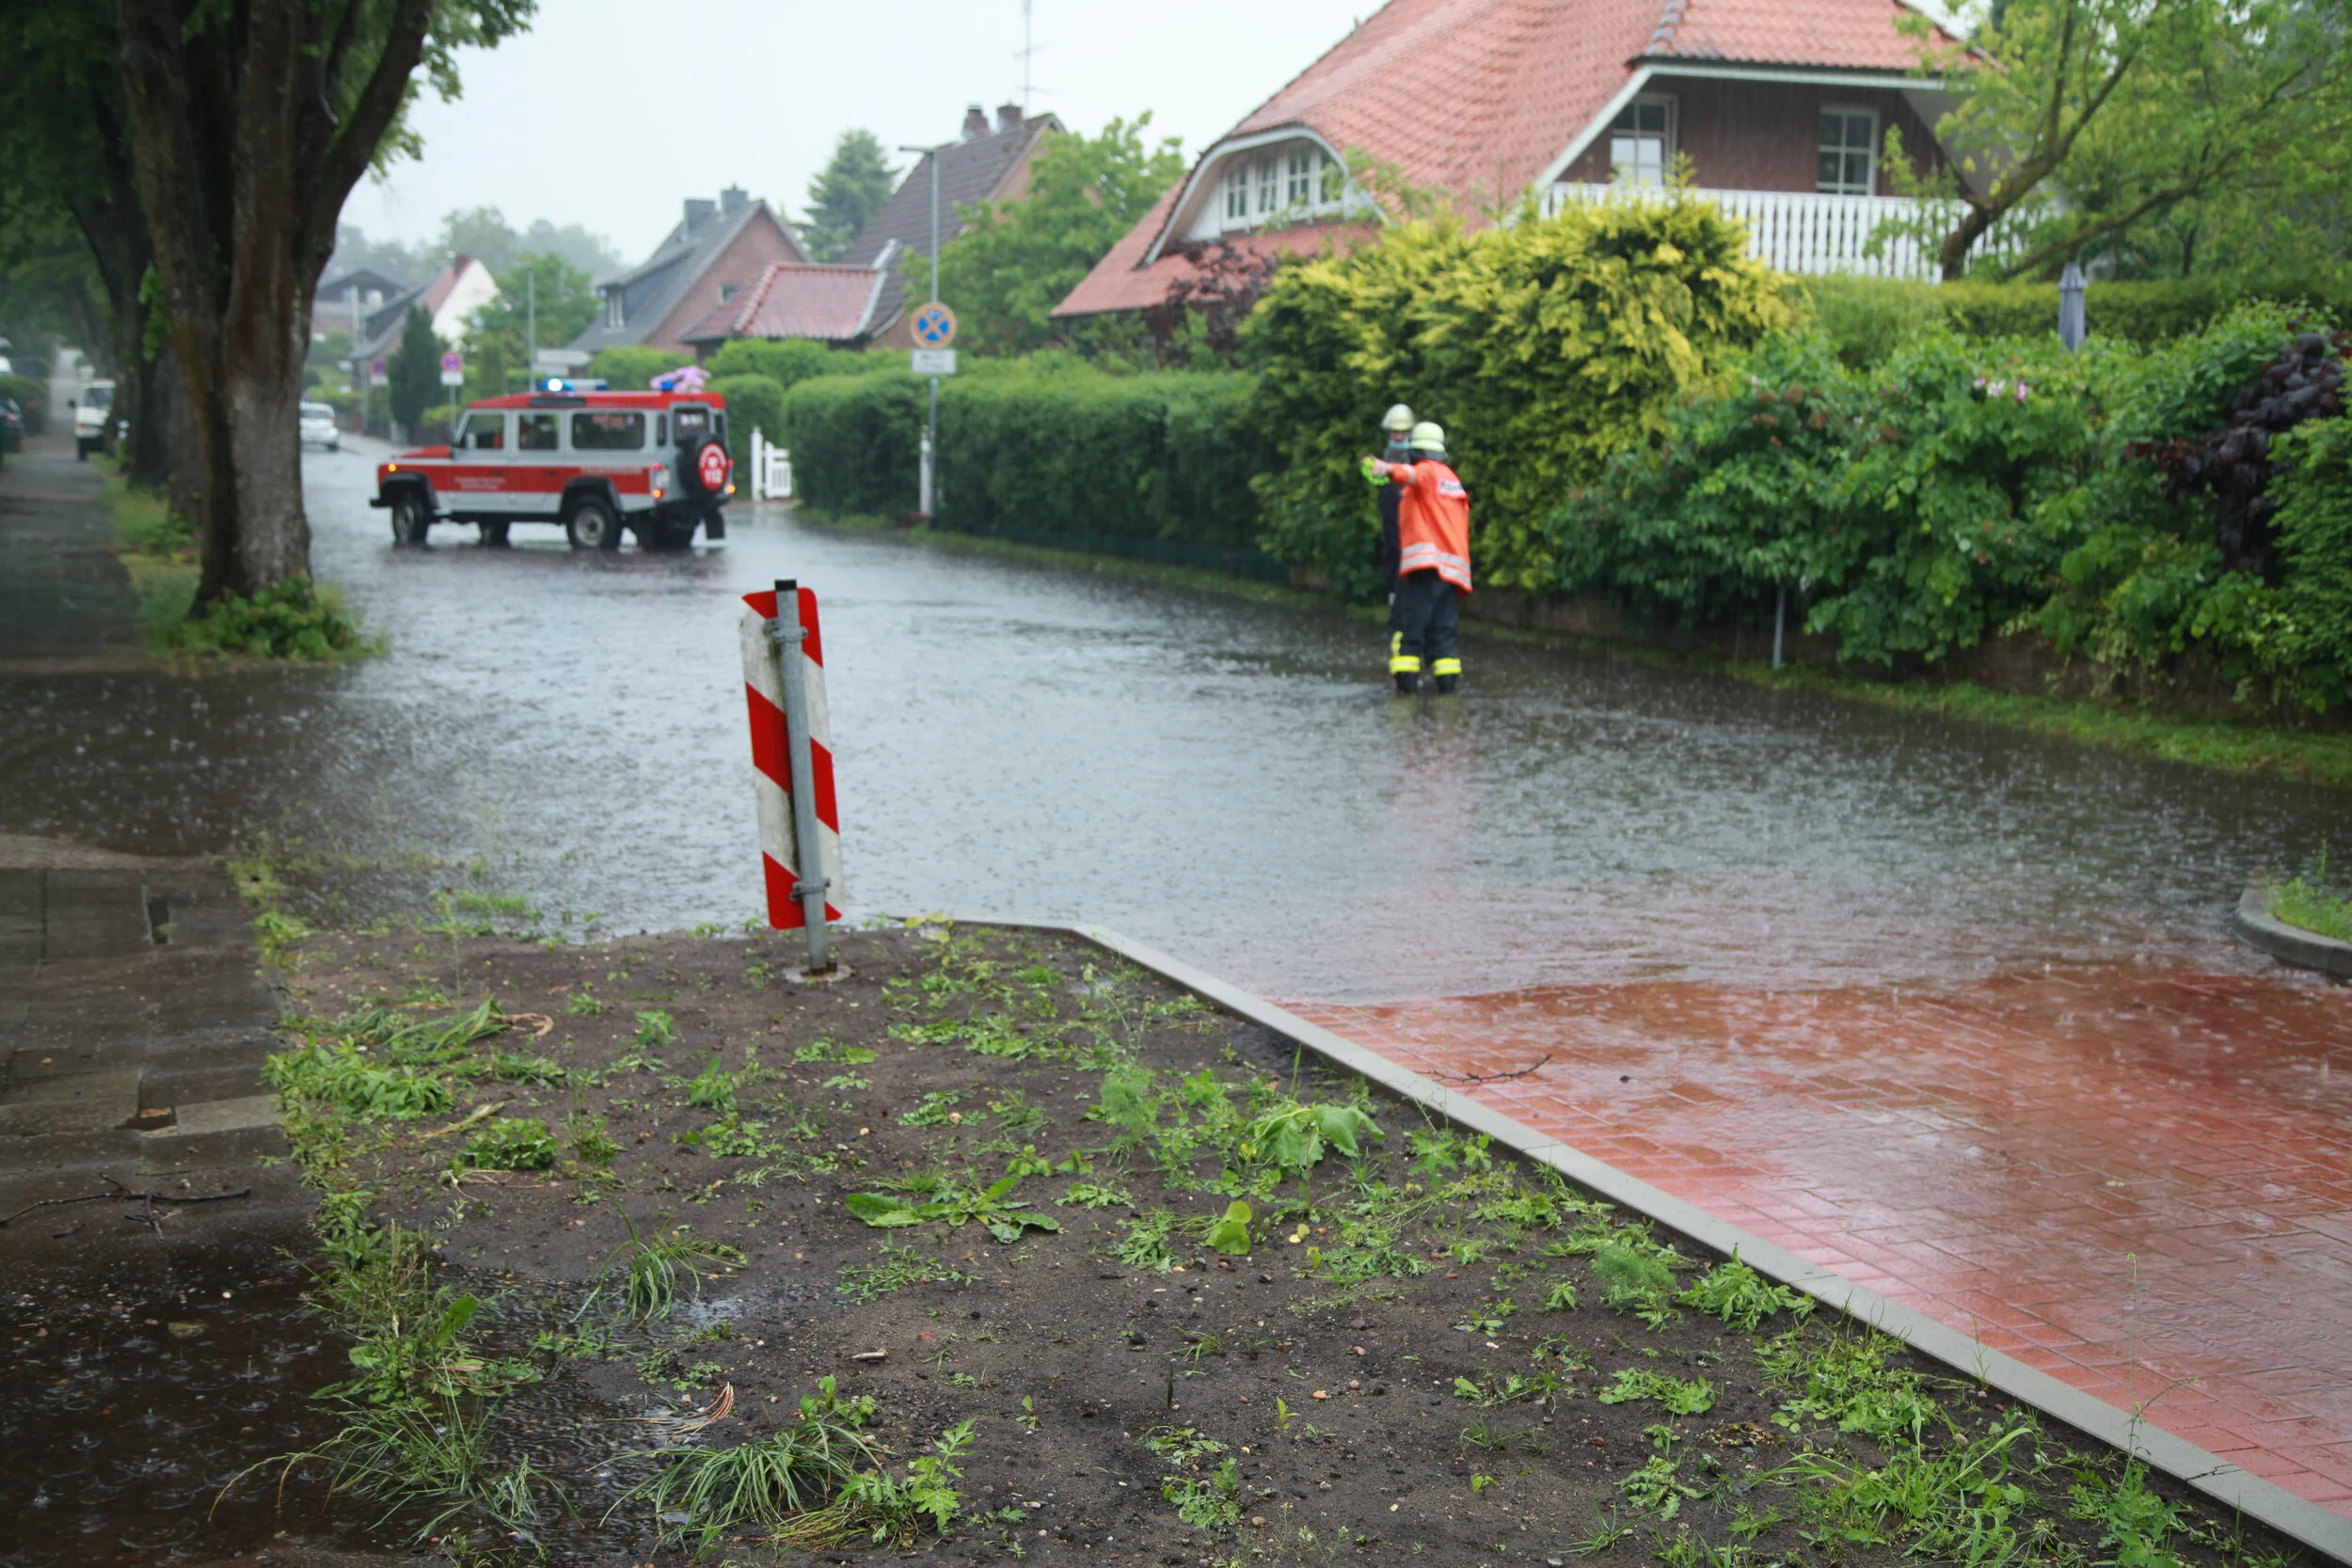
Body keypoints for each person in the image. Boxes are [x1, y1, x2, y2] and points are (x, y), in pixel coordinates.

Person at [1362, 421, 1470, 695]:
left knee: (1409, 631)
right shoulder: (1452, 480)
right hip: (1450, 572)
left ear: (1416, 451)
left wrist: (1386, 468)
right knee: (1443, 635)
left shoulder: (1427, 472)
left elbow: (1412, 474)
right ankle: (1447, 692)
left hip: (1424, 568)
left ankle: (1406, 692)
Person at [1368, 403, 1414, 597]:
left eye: (1403, 432)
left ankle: (1404, 592)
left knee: (1405, 550)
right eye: (1395, 432)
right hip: (1389, 512)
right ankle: (1393, 593)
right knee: (1391, 548)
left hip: (1408, 512)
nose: (1399, 436)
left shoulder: (1415, 456)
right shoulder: (1386, 454)